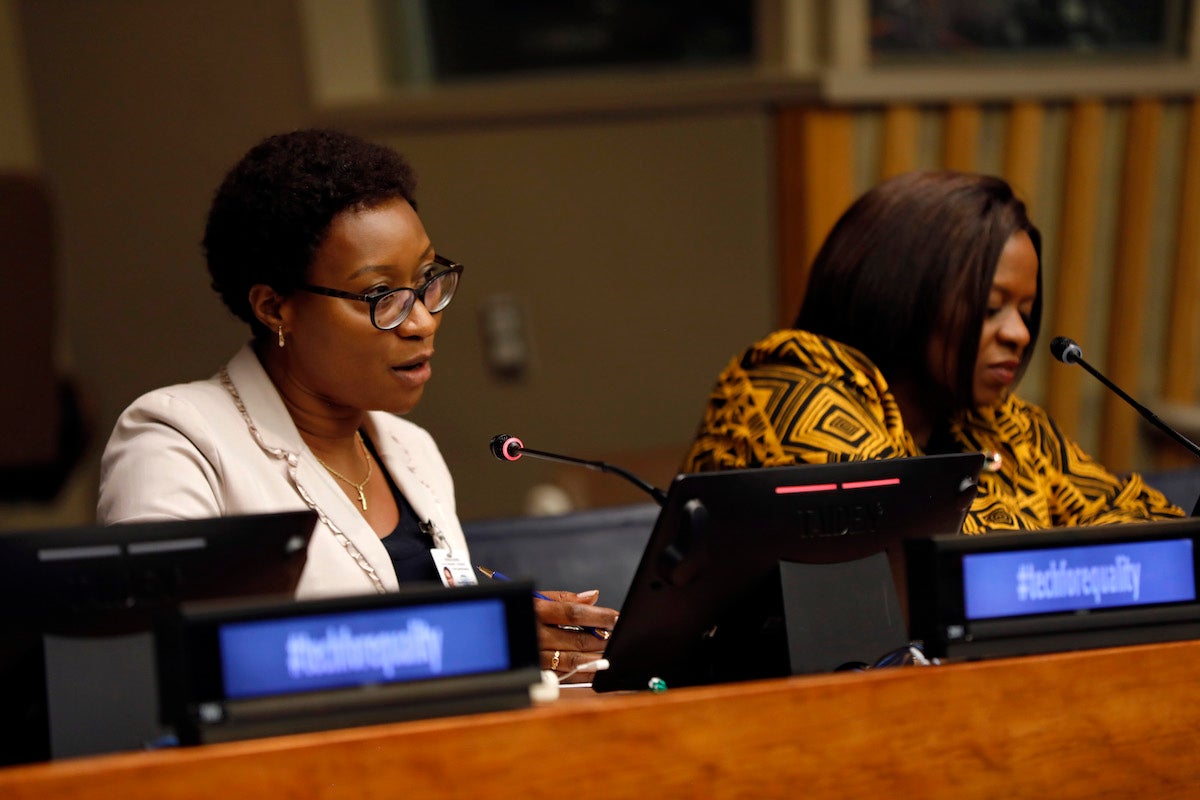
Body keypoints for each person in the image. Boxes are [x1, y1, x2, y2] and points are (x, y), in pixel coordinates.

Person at [98, 128, 615, 679]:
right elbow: (159, 660)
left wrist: (514, 635)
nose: (421, 321)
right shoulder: (176, 439)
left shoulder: (410, 450)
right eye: (380, 297)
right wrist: (479, 636)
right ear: (275, 308)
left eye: (425, 281)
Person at [682, 170, 1182, 533]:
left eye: (1026, 311)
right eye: (991, 308)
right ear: (900, 296)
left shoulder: (1005, 425)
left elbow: (1150, 527)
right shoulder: (787, 386)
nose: (1021, 335)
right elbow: (916, 545)